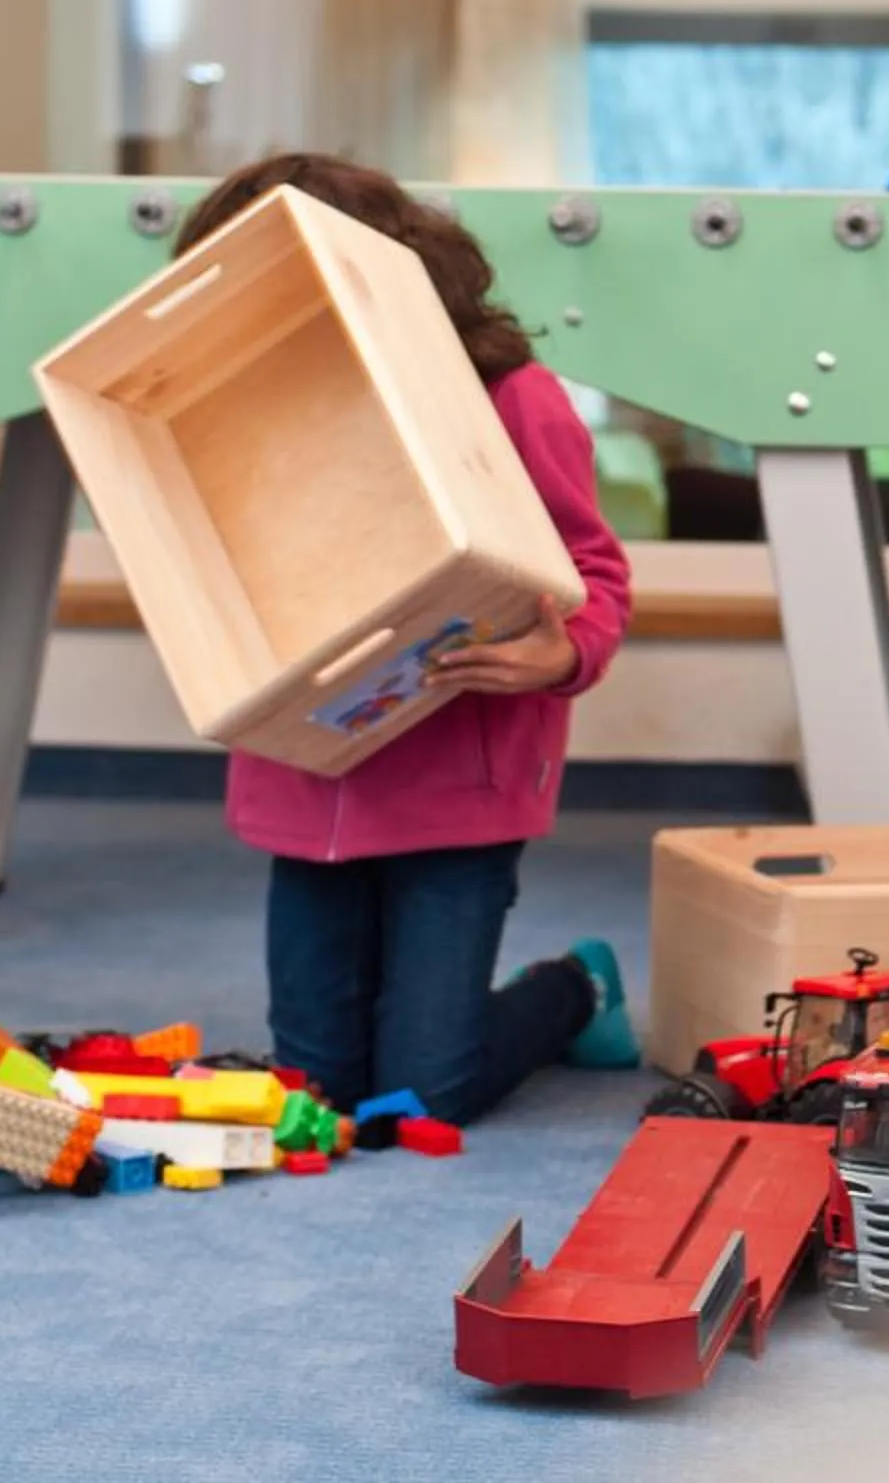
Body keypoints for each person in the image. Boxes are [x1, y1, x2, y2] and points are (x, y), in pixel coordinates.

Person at [168, 151, 641, 1127]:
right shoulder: (249, 410)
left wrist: (564, 652)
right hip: (312, 780)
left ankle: (576, 987)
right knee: (319, 1092)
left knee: (425, 1093)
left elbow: (596, 576)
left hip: (454, 793)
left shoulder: (513, 399)